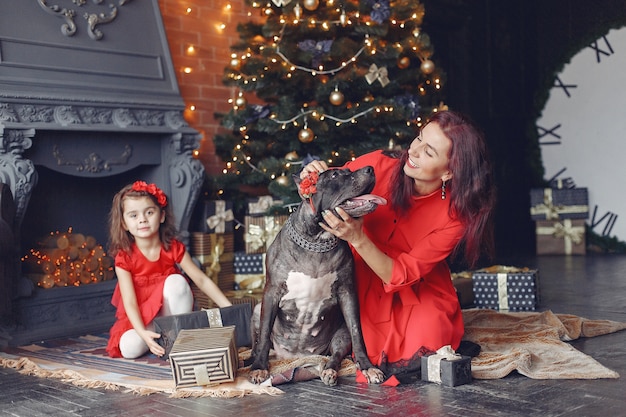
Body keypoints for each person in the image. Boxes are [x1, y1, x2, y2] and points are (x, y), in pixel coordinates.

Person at [300, 110, 495, 377]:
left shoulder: (455, 218)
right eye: (418, 139)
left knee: (429, 336)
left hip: (416, 288)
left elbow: (401, 274)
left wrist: (357, 237)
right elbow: (326, 188)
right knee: (350, 337)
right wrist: (309, 178)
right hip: (356, 280)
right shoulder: (378, 165)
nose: (413, 152)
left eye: (429, 152)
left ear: (449, 172)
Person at [105, 181, 232, 359]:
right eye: (133, 215)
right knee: (129, 349)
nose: (142, 219)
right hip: (143, 317)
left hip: (171, 313)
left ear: (162, 216)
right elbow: (130, 301)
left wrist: (228, 308)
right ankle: (157, 339)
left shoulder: (172, 247)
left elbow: (201, 279)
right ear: (124, 224)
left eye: (149, 212)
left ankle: (177, 336)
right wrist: (142, 333)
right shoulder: (124, 256)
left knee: (177, 281)